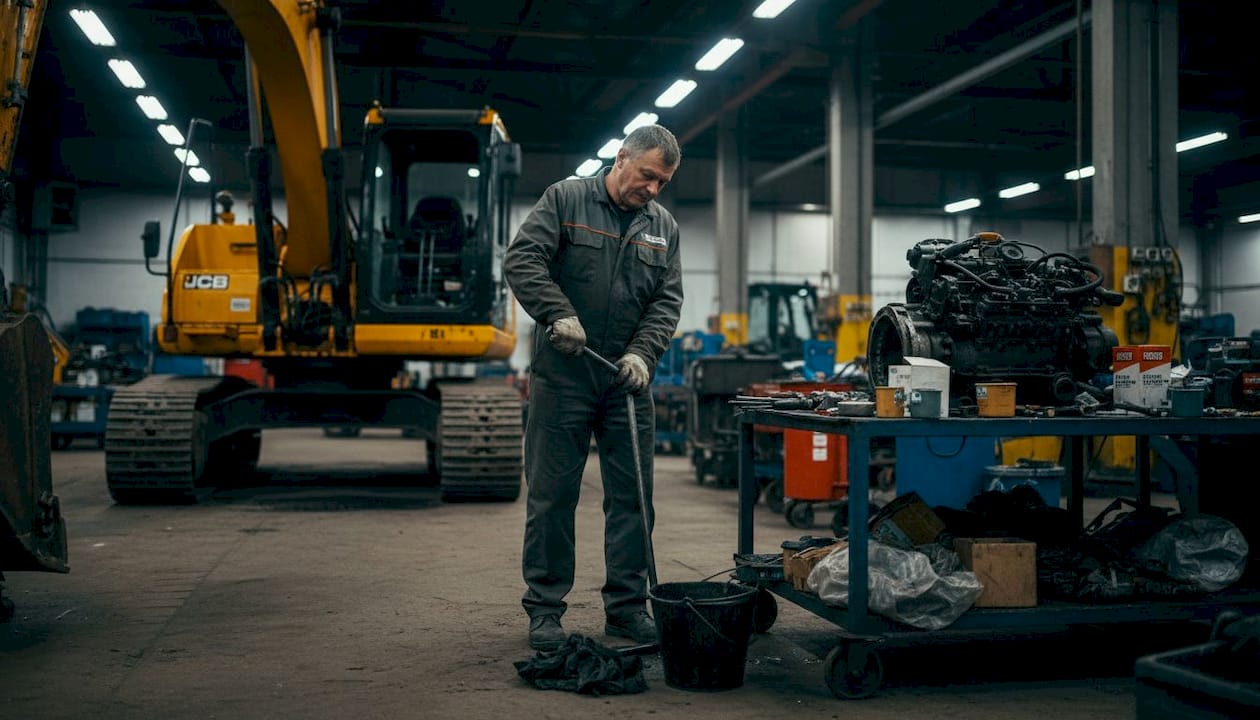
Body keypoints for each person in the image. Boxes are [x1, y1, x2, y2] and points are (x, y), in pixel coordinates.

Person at [503, 124, 683, 651]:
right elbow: (522, 260)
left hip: (625, 382)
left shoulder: (663, 226)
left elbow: (666, 301)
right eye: (647, 175)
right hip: (564, 377)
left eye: (663, 183)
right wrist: (557, 313)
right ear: (621, 158)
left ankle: (627, 610)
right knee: (553, 495)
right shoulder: (565, 199)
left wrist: (642, 354)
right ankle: (545, 610)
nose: (652, 190)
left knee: (632, 500)